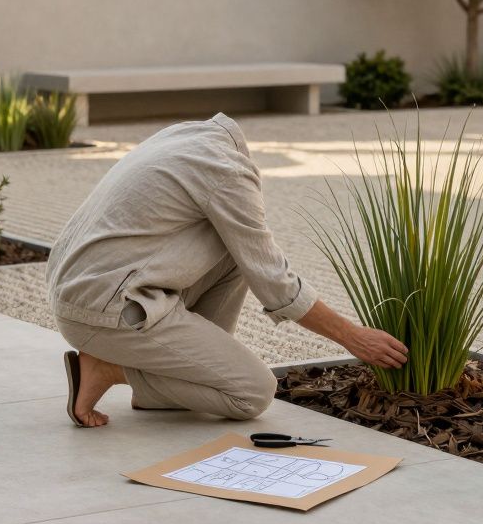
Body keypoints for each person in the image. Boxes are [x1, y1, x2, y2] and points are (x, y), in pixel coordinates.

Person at [47, 112, 409, 427]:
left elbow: (254, 262)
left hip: (87, 287)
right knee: (251, 393)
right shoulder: (229, 174)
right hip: (100, 309)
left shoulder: (191, 136)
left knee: (238, 254)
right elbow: (276, 283)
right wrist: (352, 336)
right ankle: (112, 369)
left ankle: (167, 377)